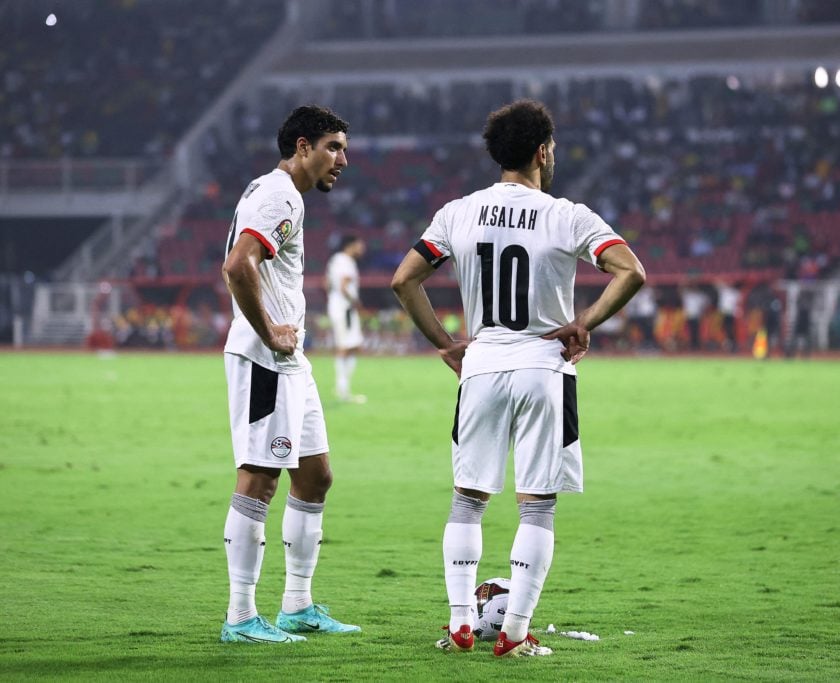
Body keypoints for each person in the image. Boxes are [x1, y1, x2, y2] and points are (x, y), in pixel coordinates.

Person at [391, 100, 646, 658]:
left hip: (481, 364)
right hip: (543, 366)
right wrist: (584, 322)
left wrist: (444, 343)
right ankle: (513, 634)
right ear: (542, 151)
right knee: (537, 507)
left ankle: (461, 624)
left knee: (467, 498)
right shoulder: (566, 215)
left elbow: (405, 279)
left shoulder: (458, 212)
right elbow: (631, 271)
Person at [219, 105, 361, 644]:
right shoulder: (279, 194)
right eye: (333, 147)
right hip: (265, 359)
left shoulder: (279, 194)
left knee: (315, 475)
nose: (342, 159)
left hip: (288, 363)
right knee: (259, 477)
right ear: (302, 146)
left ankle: (297, 605)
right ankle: (240, 617)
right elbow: (237, 265)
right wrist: (270, 329)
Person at [325, 235, 367, 403]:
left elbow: (326, 283)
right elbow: (343, 286)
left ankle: (343, 387)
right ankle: (342, 390)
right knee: (344, 346)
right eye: (360, 244)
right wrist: (355, 302)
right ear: (351, 245)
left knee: (353, 345)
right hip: (344, 308)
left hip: (338, 306)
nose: (362, 248)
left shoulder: (335, 260)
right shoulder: (345, 261)